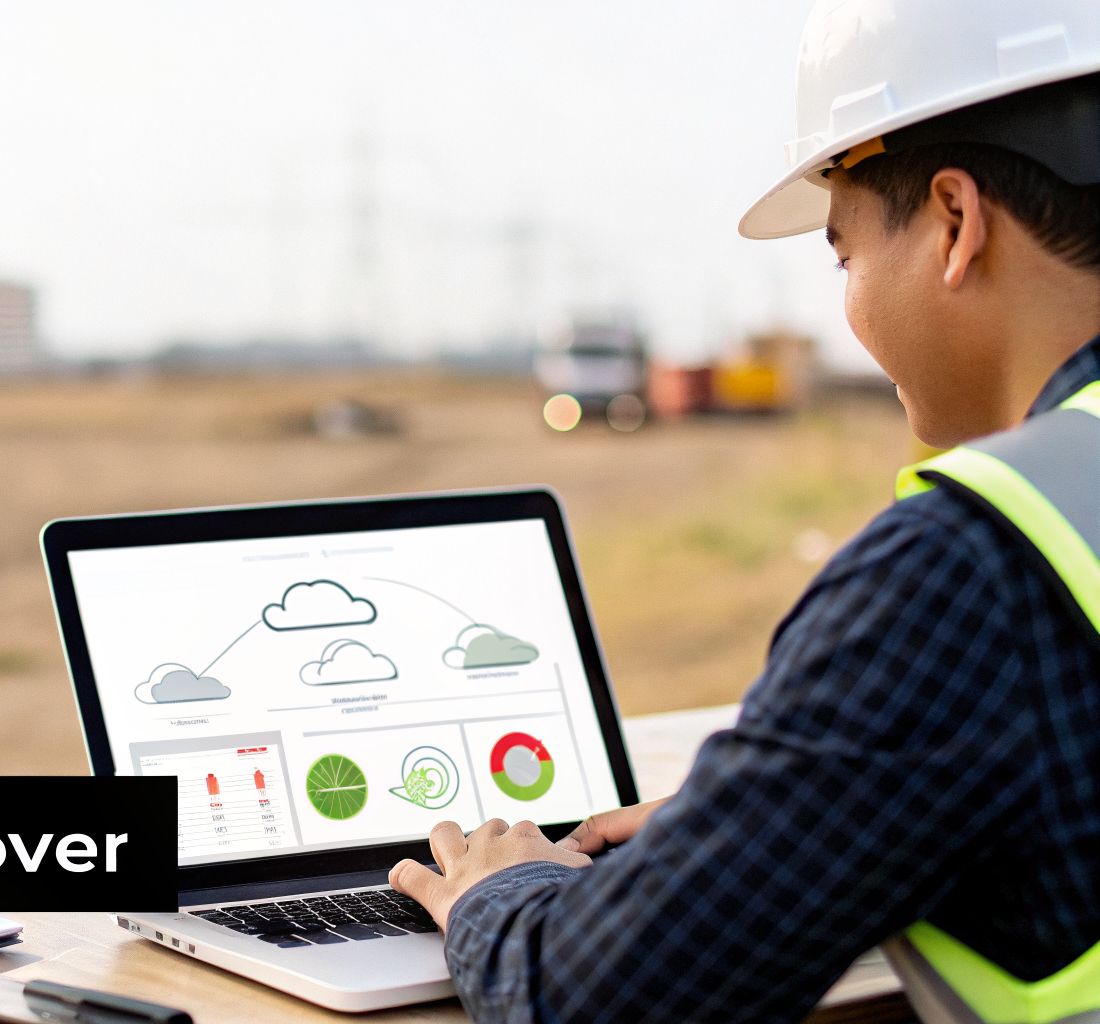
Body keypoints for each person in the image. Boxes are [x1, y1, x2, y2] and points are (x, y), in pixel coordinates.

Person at [388, 2, 1100, 1021]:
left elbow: (595, 1004)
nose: (843, 302)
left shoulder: (970, 568)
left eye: (842, 252)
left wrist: (494, 894)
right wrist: (784, 815)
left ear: (953, 221)